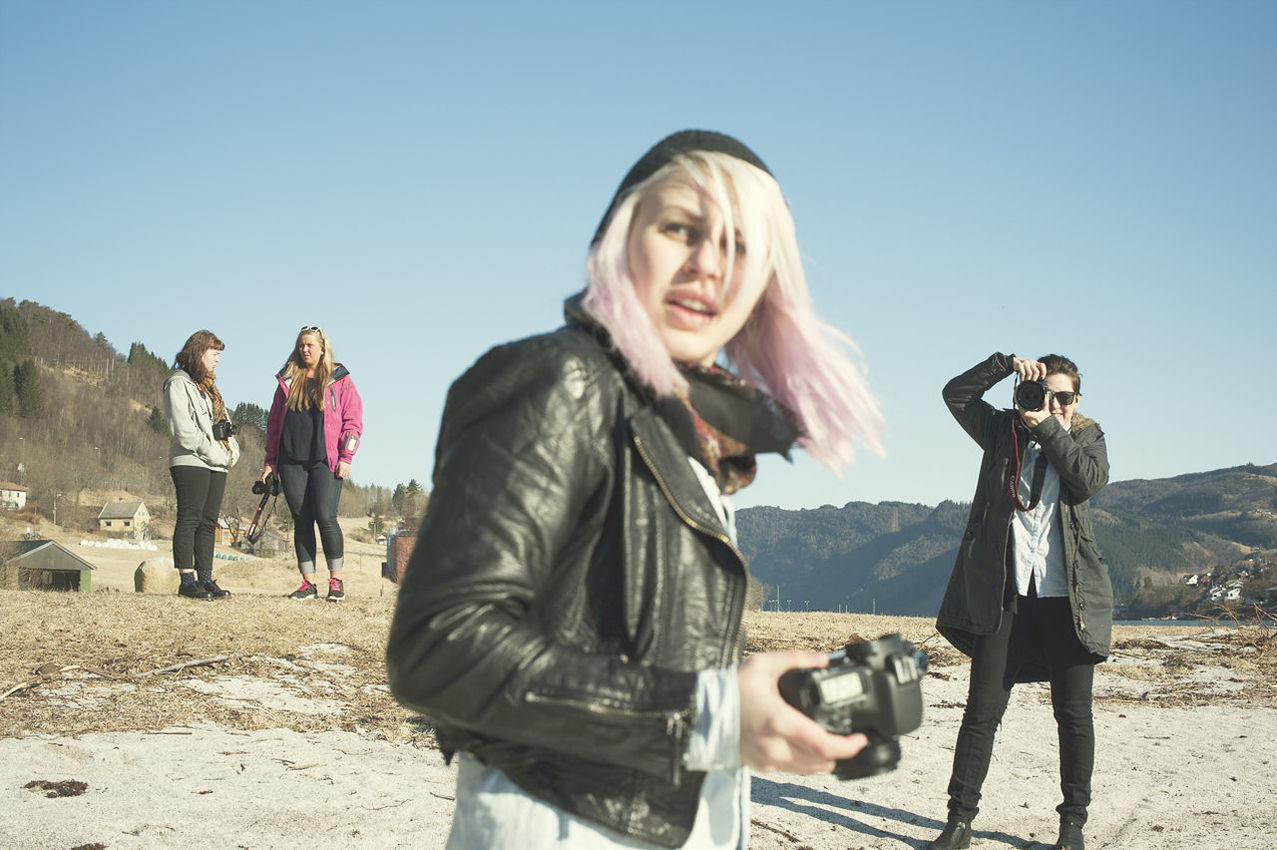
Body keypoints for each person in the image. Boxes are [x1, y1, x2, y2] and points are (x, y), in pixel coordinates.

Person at [385, 130, 884, 849]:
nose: (707, 265)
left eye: (739, 247)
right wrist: (708, 714)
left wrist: (757, 707)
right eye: (680, 228)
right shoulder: (565, 380)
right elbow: (439, 646)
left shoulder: (685, 428)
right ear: (620, 239)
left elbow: (603, 637)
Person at [927, 353, 1112, 850]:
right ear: (1024, 392)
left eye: (1064, 397)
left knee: (1073, 716)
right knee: (981, 711)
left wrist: (1053, 428)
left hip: (1067, 600)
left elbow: (1088, 482)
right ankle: (959, 822)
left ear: (1077, 399)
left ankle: (1072, 825)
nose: (1051, 403)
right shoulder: (1002, 431)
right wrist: (1004, 364)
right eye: (1042, 393)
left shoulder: (1087, 437)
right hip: (1004, 594)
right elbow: (956, 395)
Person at [262, 325, 363, 602]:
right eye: (301, 345)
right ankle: (308, 583)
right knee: (301, 521)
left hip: (326, 460)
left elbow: (353, 421)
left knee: (326, 518)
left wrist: (346, 457)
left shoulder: (339, 378)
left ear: (322, 348)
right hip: (291, 460)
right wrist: (271, 462)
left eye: (310, 345)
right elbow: (273, 424)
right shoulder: (286, 379)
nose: (305, 349)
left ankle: (336, 581)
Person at [163, 330, 240, 600]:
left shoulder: (209, 388)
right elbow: (183, 430)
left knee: (208, 523)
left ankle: (205, 580)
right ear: (199, 352)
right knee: (190, 518)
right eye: (215, 353)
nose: (218, 360)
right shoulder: (178, 383)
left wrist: (231, 453)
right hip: (190, 460)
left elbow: (224, 426)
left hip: (216, 463)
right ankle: (187, 581)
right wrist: (214, 453)